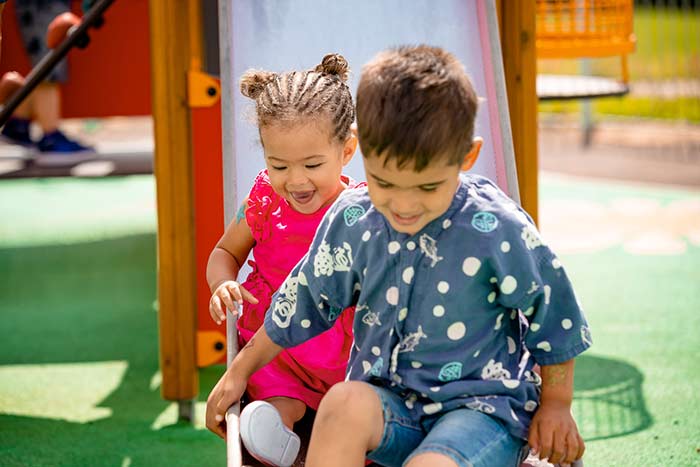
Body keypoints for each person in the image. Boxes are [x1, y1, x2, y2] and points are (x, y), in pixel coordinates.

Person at [207, 45, 592, 467]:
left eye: (427, 187)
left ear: (466, 157)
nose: (403, 206)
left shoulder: (492, 226)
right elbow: (300, 302)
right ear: (361, 151)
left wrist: (556, 403)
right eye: (385, 183)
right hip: (395, 405)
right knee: (341, 406)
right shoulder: (354, 219)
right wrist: (239, 371)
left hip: (480, 408)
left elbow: (552, 310)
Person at [206, 53, 361, 467]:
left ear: (347, 149)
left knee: (355, 397)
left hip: (340, 346)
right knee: (272, 387)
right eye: (279, 164)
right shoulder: (263, 200)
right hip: (276, 343)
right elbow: (225, 252)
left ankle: (343, 437)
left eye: (312, 164)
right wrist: (222, 283)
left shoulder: (359, 211)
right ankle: (277, 431)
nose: (295, 179)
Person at [0, 0, 93, 165]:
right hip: (42, 5)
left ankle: (19, 121)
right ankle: (50, 136)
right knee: (49, 63)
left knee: (47, 61)